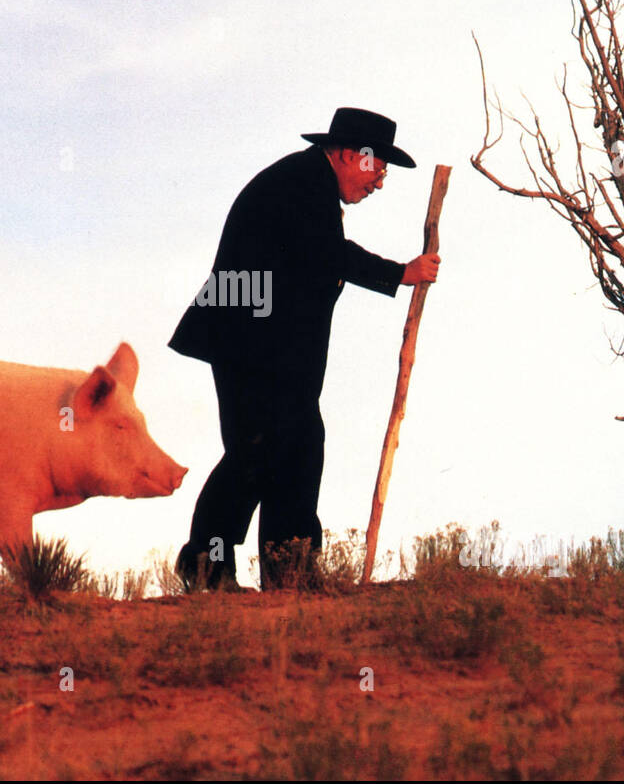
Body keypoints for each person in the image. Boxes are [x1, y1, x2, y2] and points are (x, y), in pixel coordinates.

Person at [168, 107, 441, 591]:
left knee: (295, 449)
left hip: (268, 349)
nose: (379, 182)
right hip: (247, 342)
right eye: (377, 168)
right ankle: (208, 567)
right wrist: (402, 272)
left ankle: (289, 571)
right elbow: (326, 254)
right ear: (348, 155)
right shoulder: (302, 181)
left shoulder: (308, 182)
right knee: (256, 451)